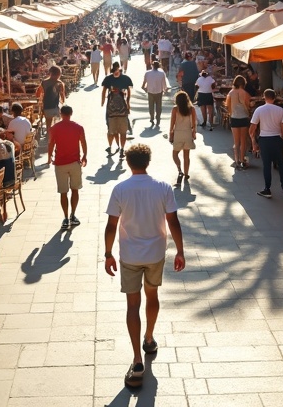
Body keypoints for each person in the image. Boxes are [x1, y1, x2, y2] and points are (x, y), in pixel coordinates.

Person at [103, 144, 185, 388]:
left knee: (132, 304)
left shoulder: (120, 189)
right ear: (148, 161)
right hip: (155, 253)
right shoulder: (162, 187)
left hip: (130, 254)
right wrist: (180, 250)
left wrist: (108, 253)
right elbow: (173, 221)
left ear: (128, 163)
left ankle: (137, 361)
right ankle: (149, 338)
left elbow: (111, 225)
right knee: (152, 295)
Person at [48, 105, 88, 231]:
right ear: (71, 113)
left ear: (61, 113)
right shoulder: (78, 127)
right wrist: (84, 156)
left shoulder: (55, 128)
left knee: (63, 192)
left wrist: (49, 157)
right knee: (75, 190)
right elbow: (83, 142)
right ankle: (73, 215)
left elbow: (51, 143)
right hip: (74, 162)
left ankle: (65, 217)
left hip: (60, 163)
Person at [249, 89, 283, 198]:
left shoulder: (259, 110)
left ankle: (267, 189)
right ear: (274, 98)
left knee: (266, 165)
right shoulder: (280, 110)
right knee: (281, 163)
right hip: (277, 138)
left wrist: (254, 142)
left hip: (264, 139)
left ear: (264, 97)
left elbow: (252, 128)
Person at [101, 62, 133, 158]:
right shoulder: (108, 79)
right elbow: (104, 90)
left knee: (122, 132)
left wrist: (128, 103)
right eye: (114, 71)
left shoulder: (125, 79)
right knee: (111, 131)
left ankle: (122, 149)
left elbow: (128, 90)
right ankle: (112, 146)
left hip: (123, 110)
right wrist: (102, 100)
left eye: (117, 70)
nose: (116, 72)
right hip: (111, 110)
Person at [169, 90, 197, 186]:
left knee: (175, 154)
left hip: (178, 134)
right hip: (188, 133)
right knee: (186, 156)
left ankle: (179, 170)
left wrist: (171, 134)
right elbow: (194, 124)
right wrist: (194, 133)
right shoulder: (191, 109)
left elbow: (172, 123)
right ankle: (186, 174)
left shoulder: (175, 109)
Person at [226, 75, 252, 170]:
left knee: (236, 142)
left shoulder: (230, 93)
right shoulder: (245, 93)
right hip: (244, 117)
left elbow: (227, 105)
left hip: (234, 118)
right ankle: (242, 160)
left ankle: (236, 160)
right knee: (243, 141)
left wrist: (231, 113)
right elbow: (248, 105)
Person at [36, 65, 66, 131]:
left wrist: (40, 99)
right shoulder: (60, 83)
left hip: (47, 107)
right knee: (57, 125)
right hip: (56, 107)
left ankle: (49, 137)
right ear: (58, 74)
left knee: (48, 124)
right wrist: (63, 102)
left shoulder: (44, 83)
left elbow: (38, 93)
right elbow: (62, 96)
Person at [141, 60, 168, 128]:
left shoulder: (147, 73)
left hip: (150, 92)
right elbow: (164, 84)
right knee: (159, 107)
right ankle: (158, 119)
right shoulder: (162, 73)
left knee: (151, 106)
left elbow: (143, 84)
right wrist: (165, 89)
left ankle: (152, 118)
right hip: (159, 92)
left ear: (152, 65)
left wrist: (145, 89)